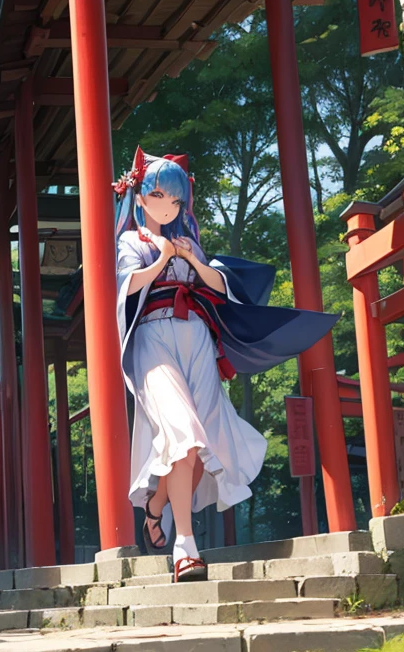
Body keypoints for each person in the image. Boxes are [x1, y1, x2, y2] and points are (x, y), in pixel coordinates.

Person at [114, 148, 337, 582]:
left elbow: (217, 285)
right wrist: (161, 258)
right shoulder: (131, 241)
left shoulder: (189, 241)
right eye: (158, 195)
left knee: (202, 442)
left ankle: (156, 508)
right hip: (153, 339)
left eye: (176, 200)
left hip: (194, 339)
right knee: (183, 431)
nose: (168, 206)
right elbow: (126, 287)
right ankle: (185, 545)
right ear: (140, 197)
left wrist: (193, 259)